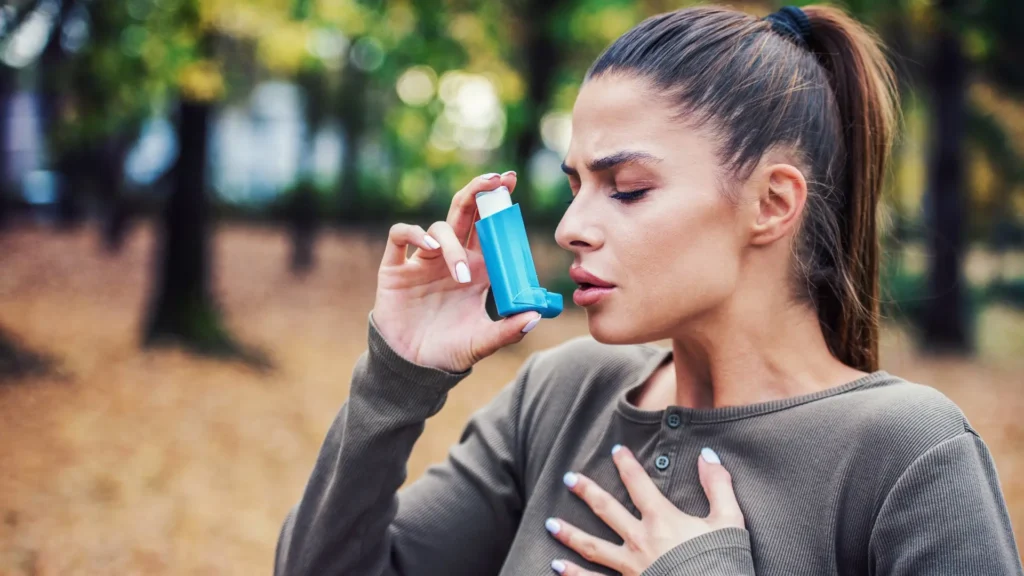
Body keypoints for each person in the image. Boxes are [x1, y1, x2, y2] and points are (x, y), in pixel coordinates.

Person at [273, 5, 1023, 575]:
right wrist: (396, 378)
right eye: (575, 186)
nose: (570, 227)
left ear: (771, 203)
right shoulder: (562, 395)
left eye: (626, 188)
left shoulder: (907, 453)